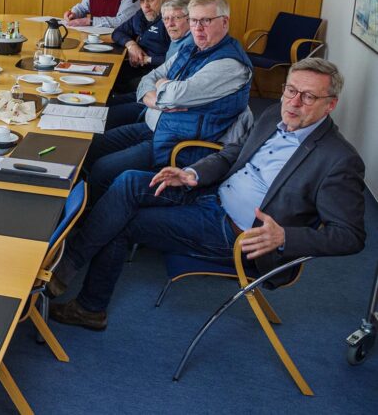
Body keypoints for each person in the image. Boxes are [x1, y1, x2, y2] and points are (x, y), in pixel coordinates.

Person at [48, 58, 366, 330]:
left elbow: (350, 236)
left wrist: (284, 237)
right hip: (213, 194)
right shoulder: (274, 115)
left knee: (125, 223)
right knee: (130, 180)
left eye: (308, 97)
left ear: (330, 104)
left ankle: (89, 307)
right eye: (291, 90)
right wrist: (192, 174)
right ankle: (68, 264)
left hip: (237, 233)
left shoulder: (339, 159)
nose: (294, 102)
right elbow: (233, 154)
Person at [85, 0, 252, 203]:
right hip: (155, 124)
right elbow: (150, 78)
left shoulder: (229, 64)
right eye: (193, 20)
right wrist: (154, 99)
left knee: (102, 169)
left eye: (206, 21)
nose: (198, 28)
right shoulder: (193, 48)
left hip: (179, 143)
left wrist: (163, 87)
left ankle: (90, 215)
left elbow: (173, 95)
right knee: (92, 145)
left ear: (224, 22)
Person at [105, 0, 193, 129]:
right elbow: (153, 78)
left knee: (103, 115)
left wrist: (153, 92)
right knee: (102, 105)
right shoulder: (177, 38)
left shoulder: (190, 45)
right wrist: (131, 45)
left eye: (176, 18)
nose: (170, 24)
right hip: (151, 94)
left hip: (159, 112)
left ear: (190, 19)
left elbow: (173, 95)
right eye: (166, 19)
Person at [110, 0, 171, 93]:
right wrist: (131, 45)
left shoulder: (172, 21)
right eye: (142, 1)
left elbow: (177, 59)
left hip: (160, 72)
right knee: (110, 72)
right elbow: (117, 33)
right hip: (139, 66)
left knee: (118, 85)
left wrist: (147, 59)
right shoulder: (141, 15)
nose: (146, 6)